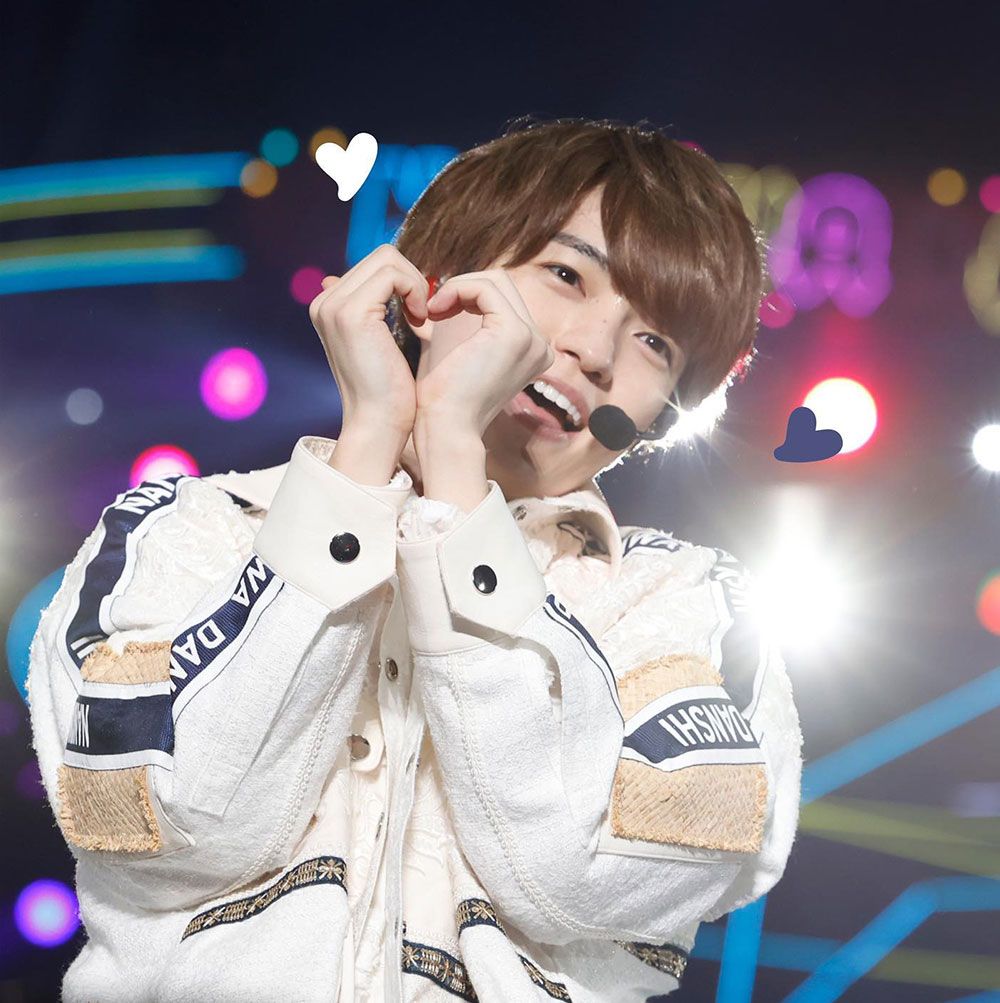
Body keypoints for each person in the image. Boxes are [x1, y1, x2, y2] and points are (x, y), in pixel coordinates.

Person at [27, 117, 803, 1002]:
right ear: (437, 278)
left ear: (665, 413)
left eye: (655, 343)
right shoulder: (176, 528)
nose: (593, 351)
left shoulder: (686, 608)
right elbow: (174, 826)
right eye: (565, 275)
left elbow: (579, 874)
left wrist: (454, 473)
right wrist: (369, 447)